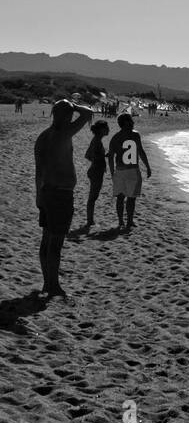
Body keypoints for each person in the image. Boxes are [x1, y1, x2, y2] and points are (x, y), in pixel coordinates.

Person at [34, 99, 93, 297]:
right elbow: (88, 113)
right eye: (67, 114)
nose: (69, 118)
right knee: (55, 242)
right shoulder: (63, 132)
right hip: (61, 194)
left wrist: (38, 196)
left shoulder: (43, 137)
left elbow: (38, 172)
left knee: (47, 239)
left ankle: (46, 282)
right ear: (63, 115)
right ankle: (53, 285)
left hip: (47, 192)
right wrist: (74, 106)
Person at [108, 113, 151, 231]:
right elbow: (141, 152)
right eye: (130, 122)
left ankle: (124, 221)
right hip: (131, 170)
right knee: (128, 198)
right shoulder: (135, 135)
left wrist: (112, 173)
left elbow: (111, 157)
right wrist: (147, 166)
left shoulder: (115, 137)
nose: (132, 123)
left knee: (124, 198)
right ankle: (126, 221)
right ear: (125, 123)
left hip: (122, 170)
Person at [83, 120, 110, 228]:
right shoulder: (97, 141)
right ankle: (90, 220)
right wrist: (104, 156)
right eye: (106, 128)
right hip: (96, 171)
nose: (108, 130)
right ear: (101, 130)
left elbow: (88, 155)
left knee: (93, 196)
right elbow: (92, 155)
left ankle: (90, 220)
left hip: (94, 170)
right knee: (93, 197)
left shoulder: (97, 140)